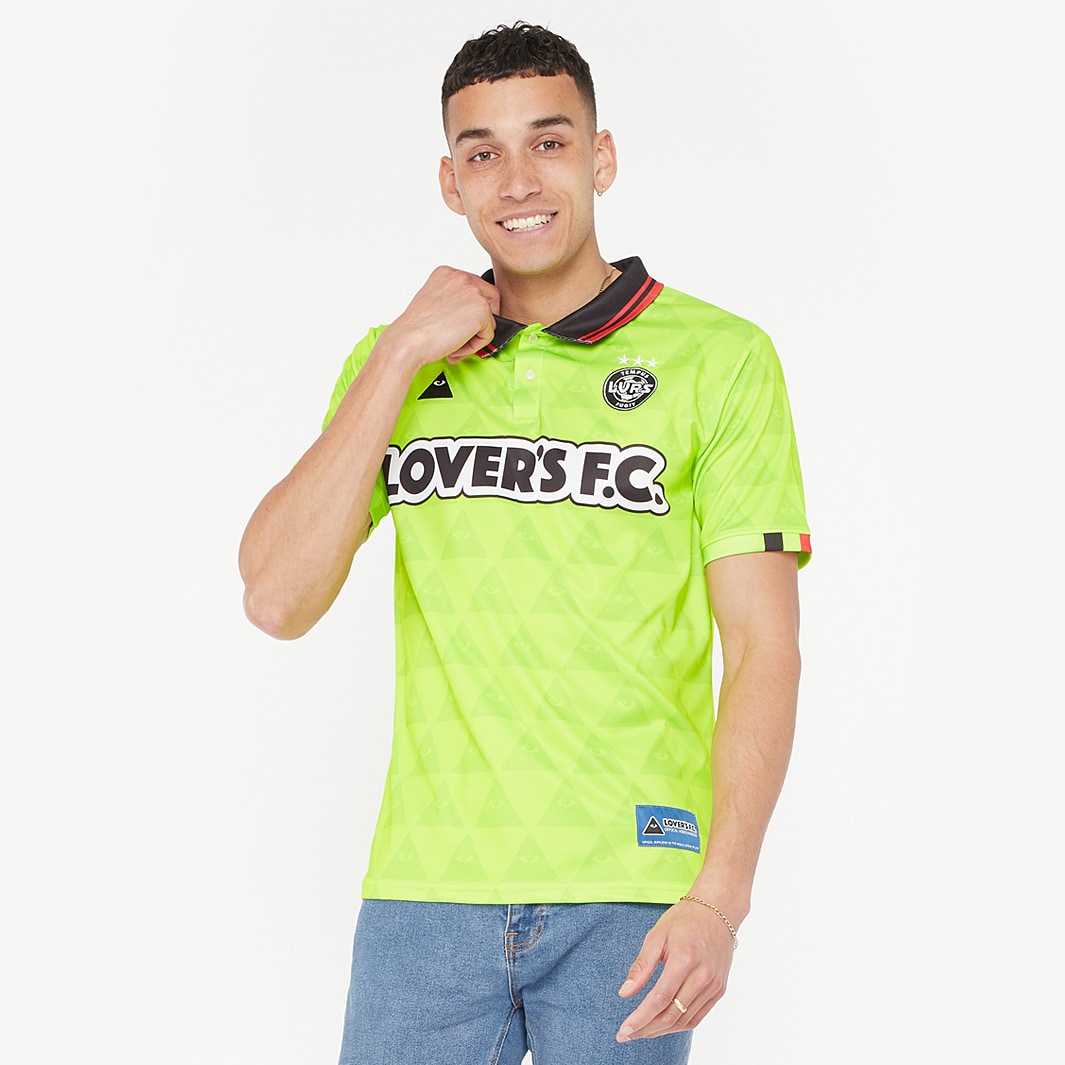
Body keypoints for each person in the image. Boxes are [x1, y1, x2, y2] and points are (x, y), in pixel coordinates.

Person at [239, 21, 810, 1065]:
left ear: (601, 157)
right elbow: (276, 597)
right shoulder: (391, 365)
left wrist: (719, 897)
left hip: (632, 891)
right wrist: (400, 355)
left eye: (548, 142)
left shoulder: (721, 360)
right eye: (482, 153)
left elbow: (764, 646)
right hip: (423, 895)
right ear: (449, 182)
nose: (518, 181)